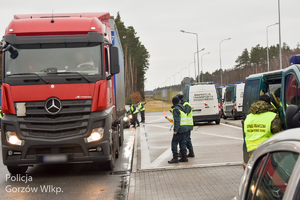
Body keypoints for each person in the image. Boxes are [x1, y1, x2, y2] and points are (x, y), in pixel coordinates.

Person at [244, 94, 283, 158]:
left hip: (251, 150)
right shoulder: (272, 116)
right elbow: (279, 134)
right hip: (267, 149)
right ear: (268, 104)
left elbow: (245, 133)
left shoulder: (248, 117)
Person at [168, 96, 189, 164]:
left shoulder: (176, 109)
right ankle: (184, 157)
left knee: (174, 143)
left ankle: (175, 158)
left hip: (180, 129)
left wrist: (175, 130)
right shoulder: (183, 108)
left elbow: (177, 120)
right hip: (185, 128)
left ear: (173, 102)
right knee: (182, 143)